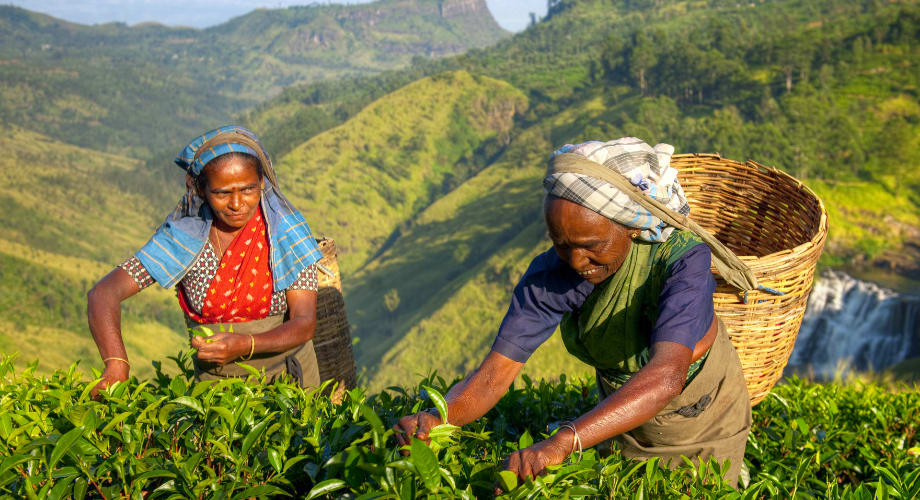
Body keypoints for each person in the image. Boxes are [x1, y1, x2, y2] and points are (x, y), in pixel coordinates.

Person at [394, 138, 752, 486]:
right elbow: (493, 376)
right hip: (621, 408)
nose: (577, 261)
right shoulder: (552, 274)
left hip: (702, 410)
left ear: (630, 225)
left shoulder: (682, 260)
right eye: (561, 244)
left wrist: (564, 441)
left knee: (704, 488)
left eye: (591, 245)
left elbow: (666, 377)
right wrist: (437, 418)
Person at [87, 125, 324, 394]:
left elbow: (304, 323)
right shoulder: (185, 238)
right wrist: (116, 365)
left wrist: (246, 344)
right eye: (222, 193)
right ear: (200, 189)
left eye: (247, 190)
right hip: (215, 391)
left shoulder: (286, 234)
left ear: (261, 182)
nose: (237, 204)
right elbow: (103, 294)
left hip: (289, 383)